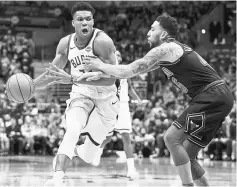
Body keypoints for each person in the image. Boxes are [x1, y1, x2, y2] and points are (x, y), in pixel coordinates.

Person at [74, 15, 234, 186]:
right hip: (218, 96)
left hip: (211, 94)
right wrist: (95, 73)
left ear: (164, 34)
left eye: (152, 29)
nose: (148, 33)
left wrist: (99, 64)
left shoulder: (165, 49)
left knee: (172, 138)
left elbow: (128, 70)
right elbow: (128, 72)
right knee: (188, 155)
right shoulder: (167, 54)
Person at [33, 2, 120, 186]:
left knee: (88, 156)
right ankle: (57, 179)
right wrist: (32, 87)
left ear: (93, 21)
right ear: (73, 23)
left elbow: (113, 79)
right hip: (81, 95)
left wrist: (73, 79)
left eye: (88, 19)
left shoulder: (103, 42)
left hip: (106, 99)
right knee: (72, 129)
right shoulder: (66, 43)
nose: (84, 23)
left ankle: (75, 151)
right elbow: (53, 71)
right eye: (80, 19)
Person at [90, 50, 141, 179]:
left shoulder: (126, 71)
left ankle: (131, 169)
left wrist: (138, 99)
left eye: (119, 55)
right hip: (109, 104)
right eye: (115, 54)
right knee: (107, 136)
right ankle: (98, 151)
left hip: (123, 105)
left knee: (126, 136)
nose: (117, 56)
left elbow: (129, 88)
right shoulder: (105, 70)